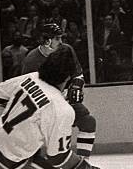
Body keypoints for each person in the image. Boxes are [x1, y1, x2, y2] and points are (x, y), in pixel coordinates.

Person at [21, 23, 97, 161]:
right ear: (46, 40)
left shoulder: (66, 50)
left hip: (63, 100)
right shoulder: (32, 60)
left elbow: (78, 74)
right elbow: (29, 89)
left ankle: (83, 161)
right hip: (44, 106)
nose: (61, 42)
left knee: (88, 122)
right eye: (57, 38)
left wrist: (76, 86)